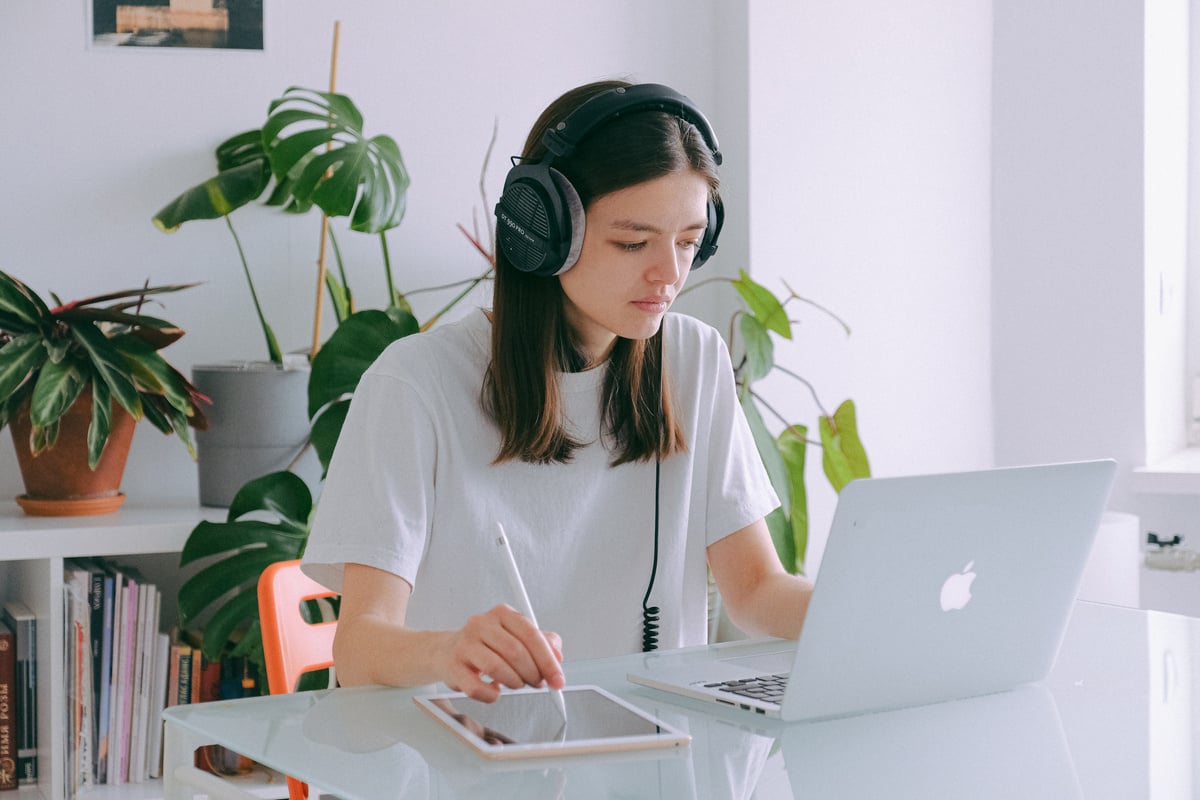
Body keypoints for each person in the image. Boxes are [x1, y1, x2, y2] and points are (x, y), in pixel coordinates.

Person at [301, 79, 814, 703]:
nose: (669, 274)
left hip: (649, 762)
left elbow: (757, 591)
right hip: (455, 759)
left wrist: (881, 612)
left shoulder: (694, 360)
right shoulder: (415, 383)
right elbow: (357, 647)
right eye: (632, 242)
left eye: (687, 242)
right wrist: (446, 649)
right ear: (541, 231)